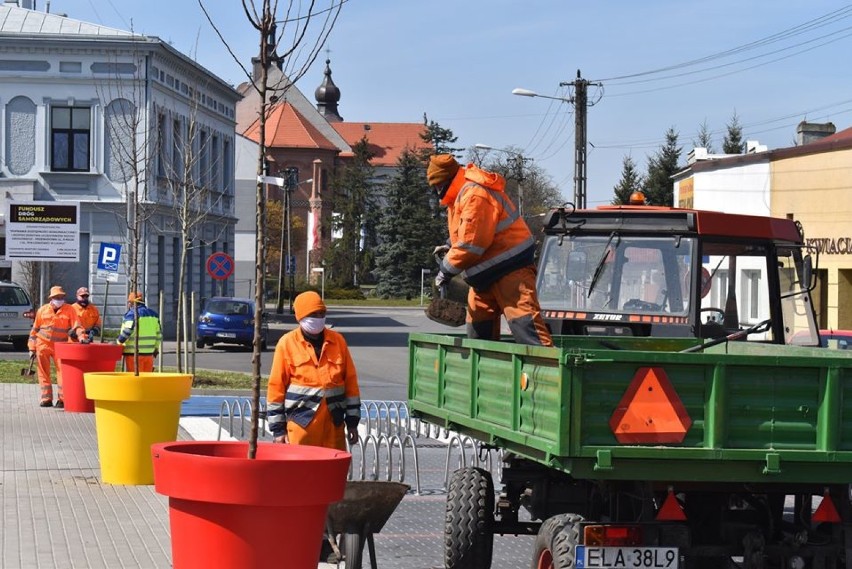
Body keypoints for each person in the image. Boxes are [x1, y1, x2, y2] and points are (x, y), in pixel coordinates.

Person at [426, 154, 553, 346]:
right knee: (478, 332)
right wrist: (450, 245)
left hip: (511, 270)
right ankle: (488, 373)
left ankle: (548, 372)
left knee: (526, 329)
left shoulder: (474, 194)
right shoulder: (460, 195)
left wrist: (445, 271)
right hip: (485, 276)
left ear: (445, 181)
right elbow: (469, 232)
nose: (436, 191)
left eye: (437, 186)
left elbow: (471, 244)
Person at [267, 291, 361, 450]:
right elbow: (276, 387)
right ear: (301, 316)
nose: (318, 318)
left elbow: (351, 384)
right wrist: (278, 430)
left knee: (332, 471)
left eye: (321, 313)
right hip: (301, 424)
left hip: (334, 422)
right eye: (313, 314)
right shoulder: (287, 343)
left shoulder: (337, 341)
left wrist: (352, 422)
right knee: (301, 472)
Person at [28, 285, 78, 408]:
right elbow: (34, 331)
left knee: (62, 372)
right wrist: (31, 348)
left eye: (61, 297)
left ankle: (62, 399)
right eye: (56, 297)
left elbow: (77, 326)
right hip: (42, 345)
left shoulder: (70, 310)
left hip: (60, 346)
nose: (59, 299)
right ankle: (46, 399)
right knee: (43, 372)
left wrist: (79, 336)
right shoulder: (43, 310)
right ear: (51, 298)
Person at [116, 292, 162, 372]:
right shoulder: (154, 315)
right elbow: (159, 335)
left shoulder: (132, 314)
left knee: (135, 381)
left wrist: (118, 342)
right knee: (146, 380)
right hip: (149, 354)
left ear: (131, 303)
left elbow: (127, 331)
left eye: (129, 302)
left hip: (133, 353)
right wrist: (156, 348)